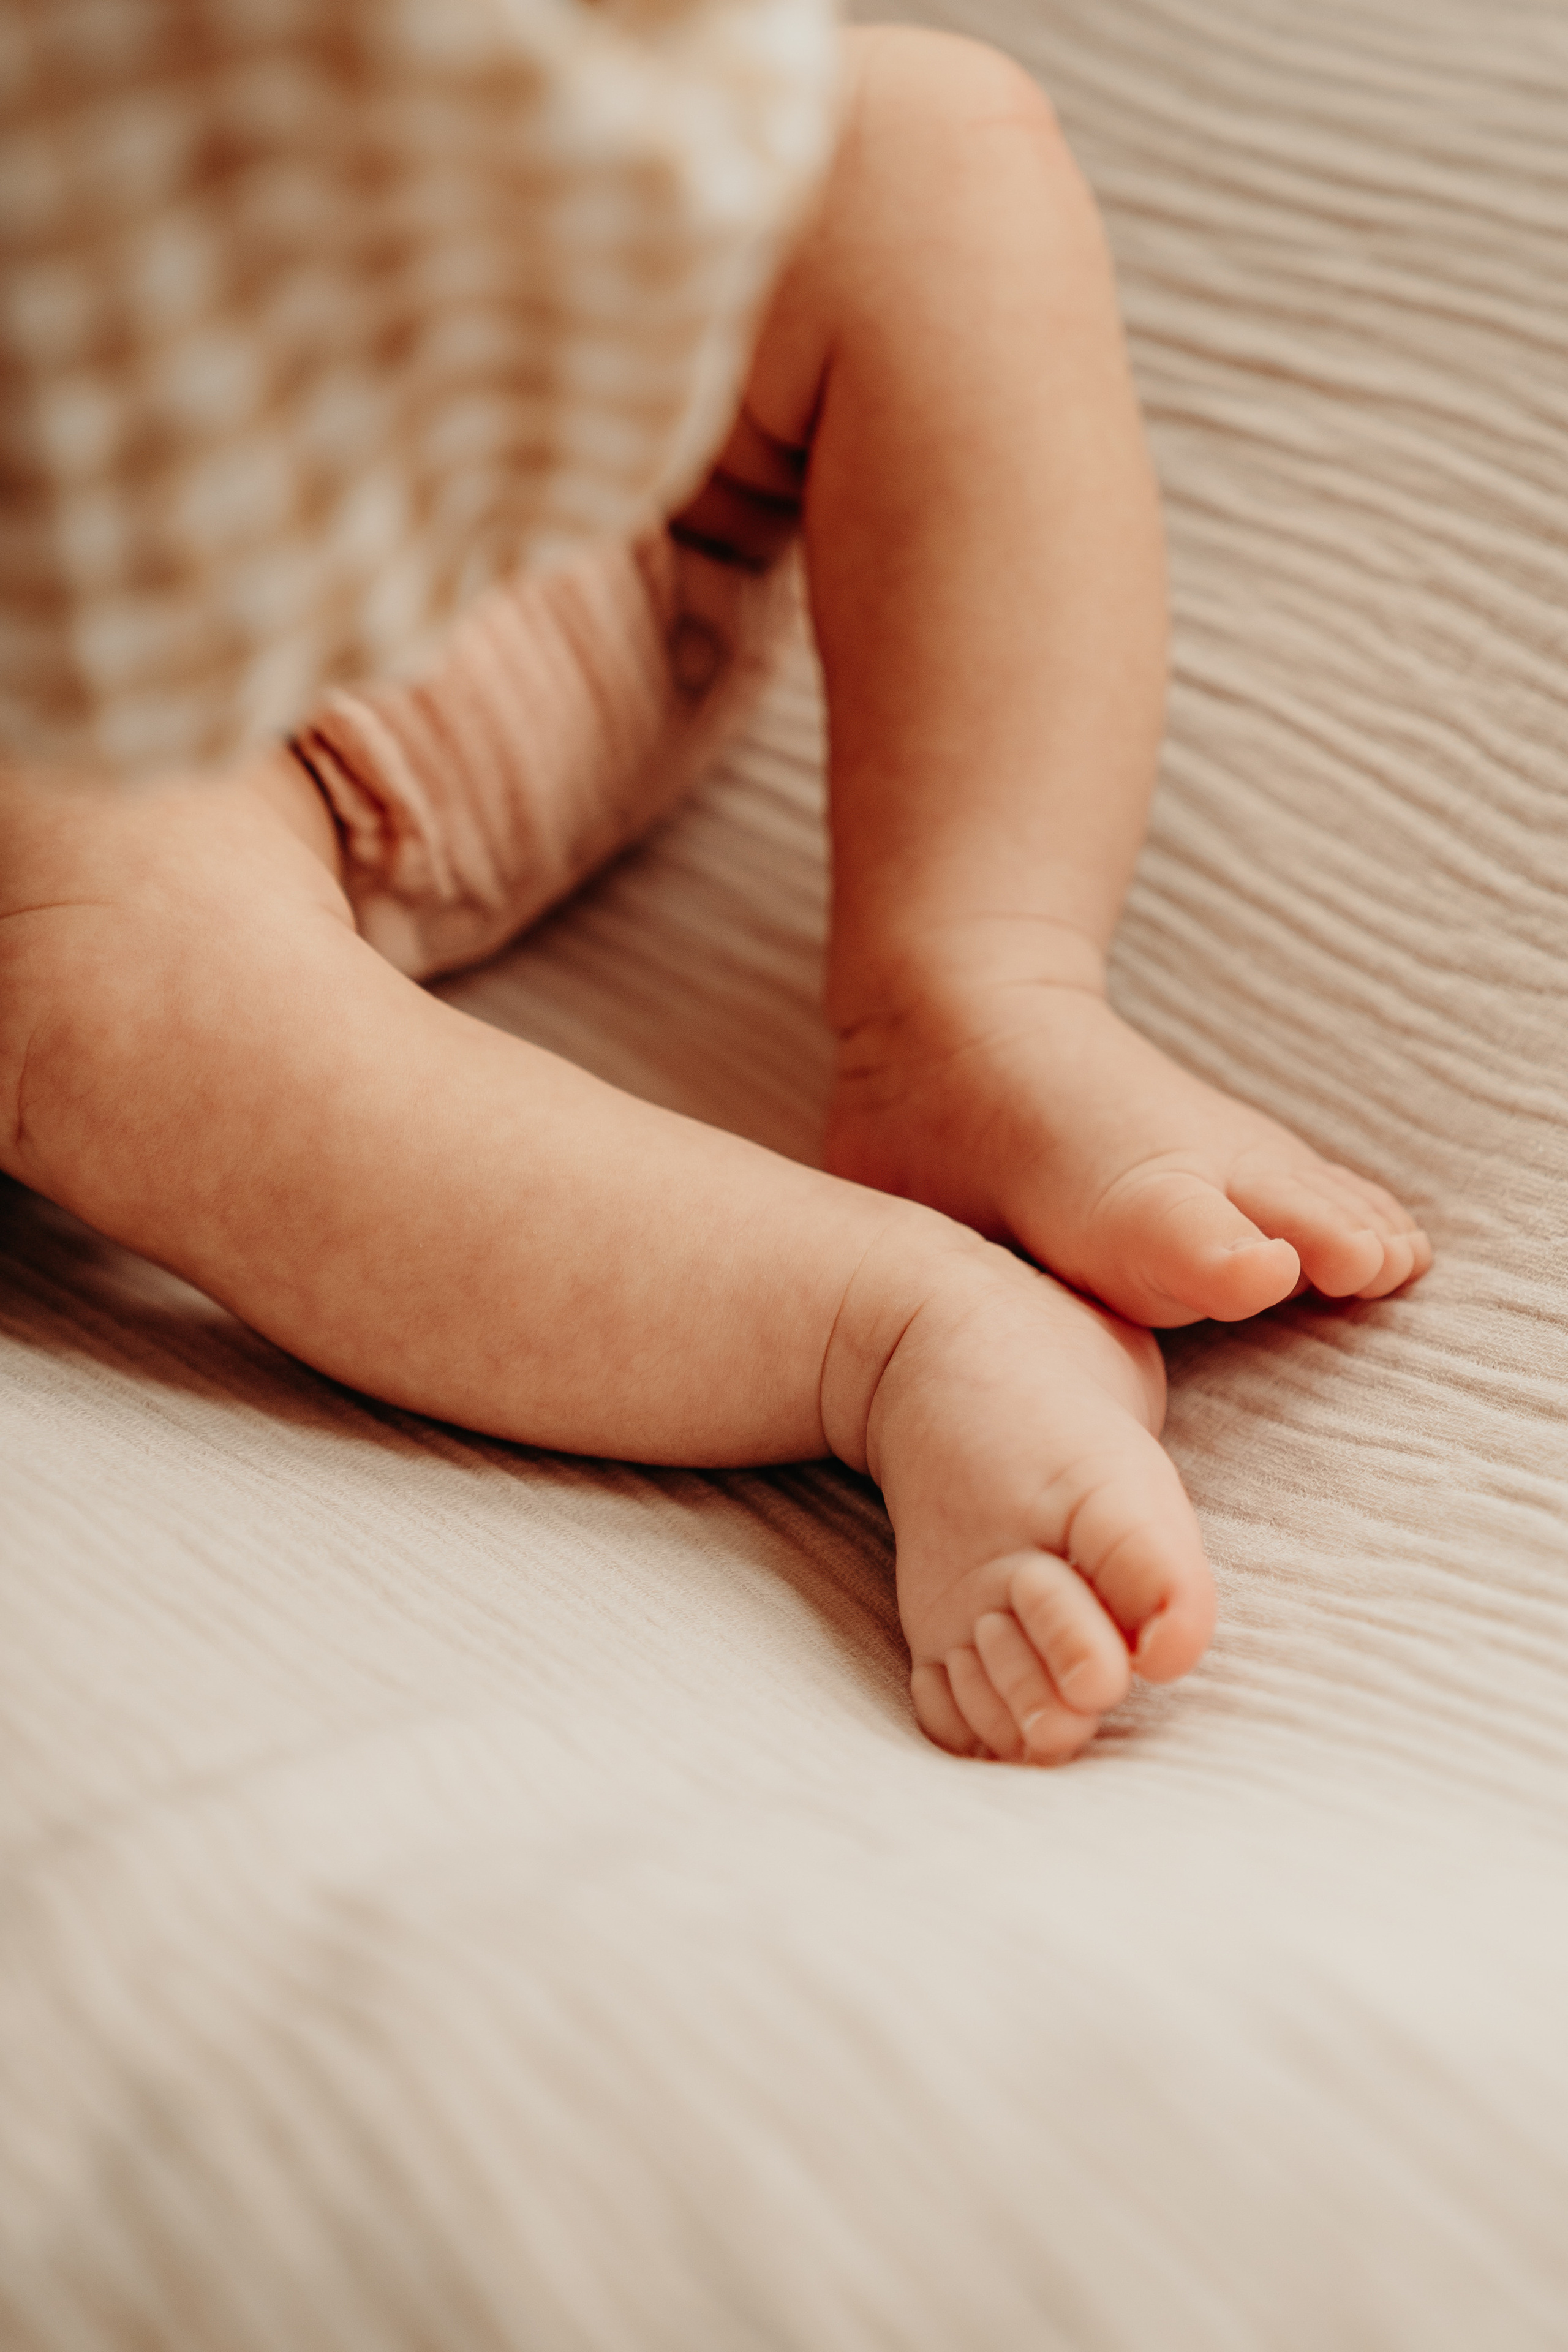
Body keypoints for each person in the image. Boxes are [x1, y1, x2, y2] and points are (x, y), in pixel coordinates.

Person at [0, 27, 1429, 1765]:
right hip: (130, 735)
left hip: (525, 434)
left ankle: (978, 984)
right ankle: (874, 1325)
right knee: (88, 994)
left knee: (922, 145)